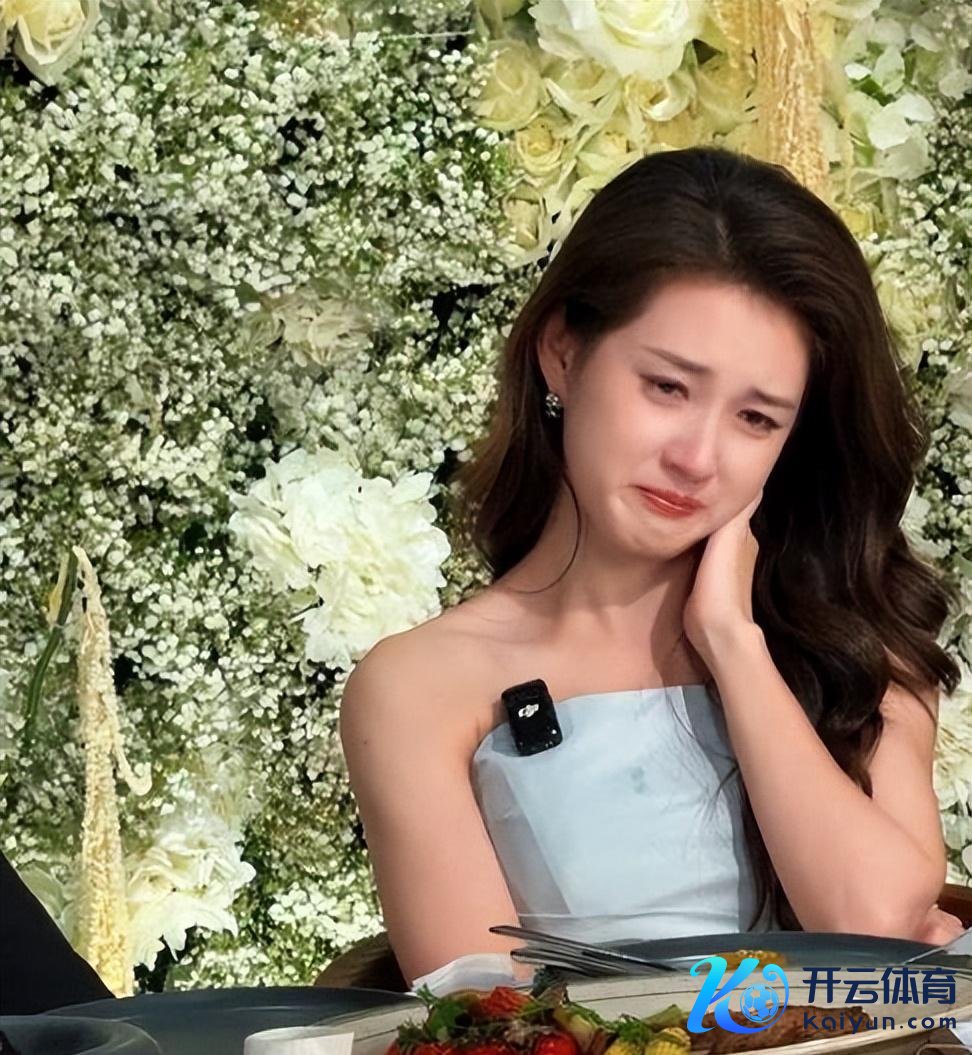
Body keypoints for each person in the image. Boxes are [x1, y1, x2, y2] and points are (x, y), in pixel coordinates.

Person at [339, 145, 965, 992]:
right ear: (563, 353)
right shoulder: (420, 686)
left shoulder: (855, 643)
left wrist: (732, 643)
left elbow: (876, 925)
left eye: (756, 418)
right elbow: (493, 1023)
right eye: (668, 387)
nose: (697, 458)